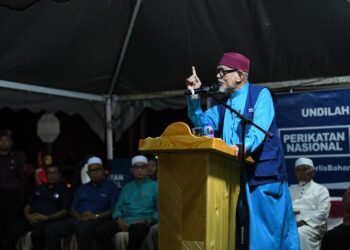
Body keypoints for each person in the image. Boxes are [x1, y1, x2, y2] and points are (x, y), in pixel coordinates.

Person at [185, 52, 299, 249]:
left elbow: (258, 130)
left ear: (239, 75)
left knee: (267, 238)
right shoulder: (223, 105)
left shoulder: (260, 95)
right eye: (217, 72)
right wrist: (194, 95)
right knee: (241, 239)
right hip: (234, 178)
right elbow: (201, 122)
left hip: (262, 177)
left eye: (222, 72)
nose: (218, 76)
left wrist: (243, 146)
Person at [44, 156, 118, 250]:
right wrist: (78, 217)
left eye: (97, 169)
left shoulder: (111, 187)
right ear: (88, 173)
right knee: (51, 228)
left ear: (103, 170)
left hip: (98, 220)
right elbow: (72, 209)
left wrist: (95, 216)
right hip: (78, 220)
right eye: (92, 170)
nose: (95, 173)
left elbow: (114, 209)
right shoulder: (82, 188)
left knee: (84, 227)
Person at [94, 155, 158, 250]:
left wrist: (149, 220)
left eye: (142, 167)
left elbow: (161, 210)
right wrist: (119, 219)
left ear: (147, 169)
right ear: (132, 170)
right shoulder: (127, 187)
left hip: (142, 222)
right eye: (136, 167)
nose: (139, 170)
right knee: (100, 231)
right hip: (125, 221)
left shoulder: (155, 186)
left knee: (137, 231)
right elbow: (117, 208)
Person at [6, 165, 71, 250]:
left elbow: (64, 212)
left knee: (36, 235)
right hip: (31, 218)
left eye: (55, 172)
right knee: (12, 232)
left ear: (60, 174)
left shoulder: (64, 190)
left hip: (48, 220)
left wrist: (46, 218)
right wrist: (27, 215)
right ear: (46, 175)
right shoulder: (39, 188)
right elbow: (28, 205)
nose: (52, 175)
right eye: (50, 173)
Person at [289, 157, 330, 250]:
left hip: (311, 226)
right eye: (298, 170)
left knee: (299, 233)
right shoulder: (289, 190)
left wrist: (303, 222)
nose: (302, 172)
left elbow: (323, 213)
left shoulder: (321, 190)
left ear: (313, 172)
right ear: (295, 174)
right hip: (290, 223)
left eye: (305, 169)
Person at [0, 130, 27, 248]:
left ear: (12, 143)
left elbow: (22, 179)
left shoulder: (17, 158)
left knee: (10, 225)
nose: (5, 142)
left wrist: (19, 198)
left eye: (7, 140)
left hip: (12, 195)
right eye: (2, 140)